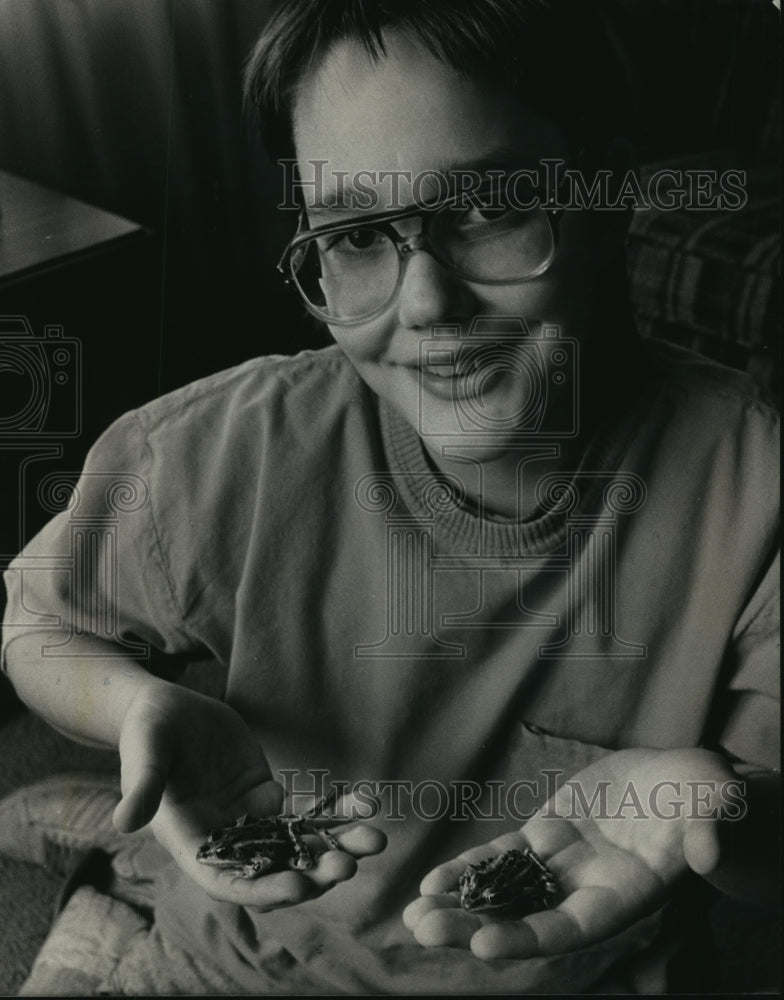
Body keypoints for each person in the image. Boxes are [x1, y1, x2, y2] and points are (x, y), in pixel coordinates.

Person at [0, 0, 779, 993]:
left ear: (605, 196)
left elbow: (766, 853)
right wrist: (133, 703)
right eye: (358, 234)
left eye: (491, 209)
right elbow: (34, 622)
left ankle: (101, 865)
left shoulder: (755, 485)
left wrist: (721, 810)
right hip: (248, 958)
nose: (424, 304)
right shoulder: (215, 453)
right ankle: (112, 866)